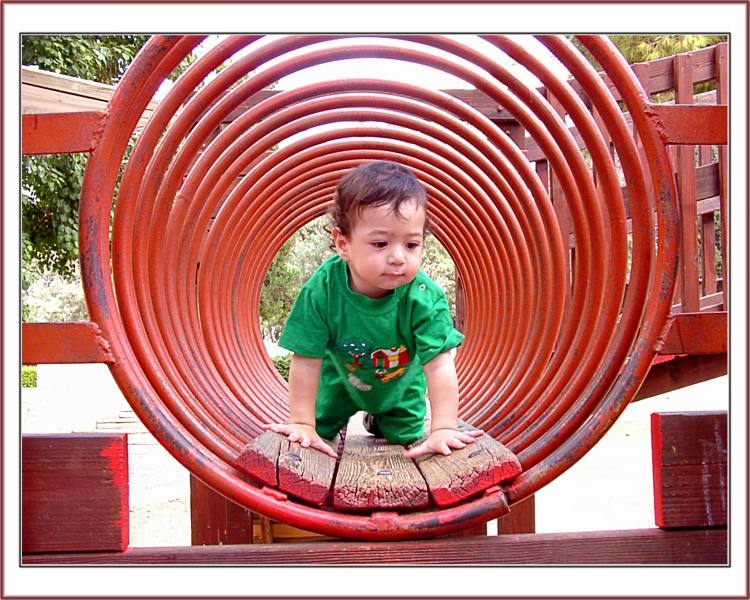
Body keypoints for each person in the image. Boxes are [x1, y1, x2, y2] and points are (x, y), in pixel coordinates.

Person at [263, 160, 481, 459]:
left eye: (412, 244)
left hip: (401, 385)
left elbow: (439, 363)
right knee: (318, 430)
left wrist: (444, 427)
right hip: (339, 378)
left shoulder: (423, 296)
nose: (397, 258)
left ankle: (378, 418)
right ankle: (334, 418)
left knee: (403, 433)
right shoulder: (323, 289)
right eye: (380, 243)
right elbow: (306, 357)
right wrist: (302, 421)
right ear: (343, 244)